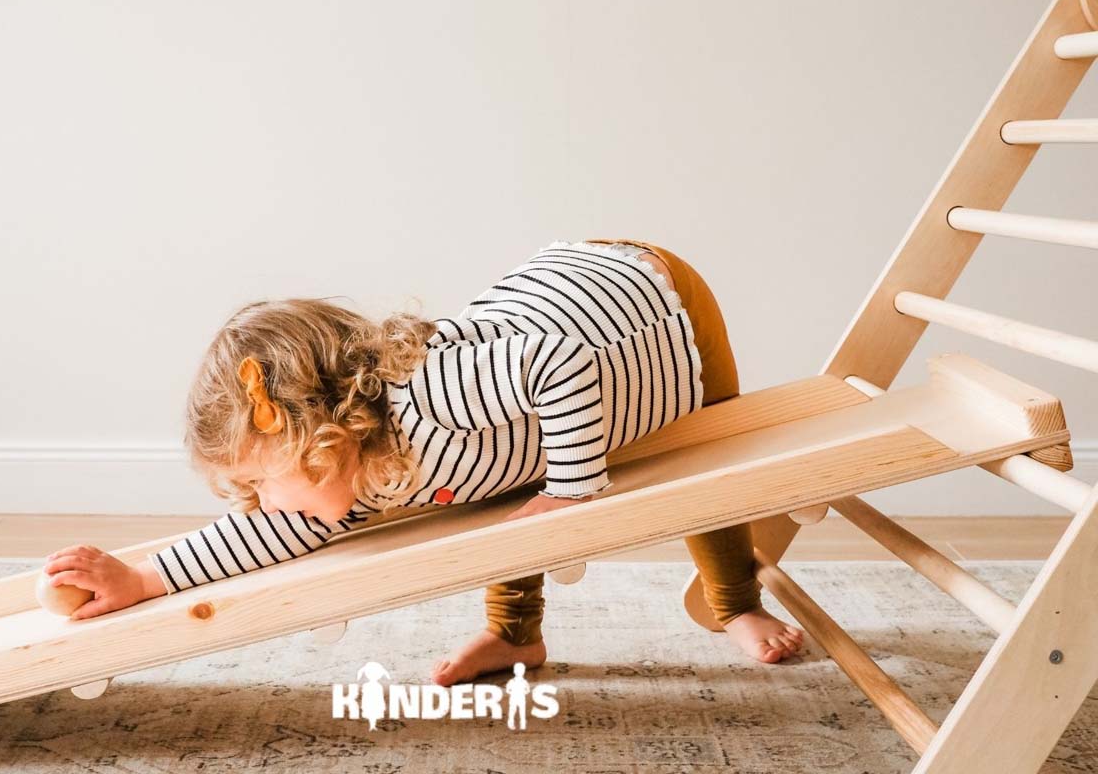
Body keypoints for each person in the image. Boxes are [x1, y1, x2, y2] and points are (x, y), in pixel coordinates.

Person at [41, 239, 804, 685]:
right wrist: (142, 578)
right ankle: (517, 635)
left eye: (262, 483)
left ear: (326, 436)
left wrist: (575, 490)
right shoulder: (349, 476)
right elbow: (265, 536)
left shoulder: (431, 395)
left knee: (709, 471)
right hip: (520, 425)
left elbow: (560, 361)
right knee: (500, 494)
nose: (265, 508)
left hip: (648, 302)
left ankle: (735, 600)